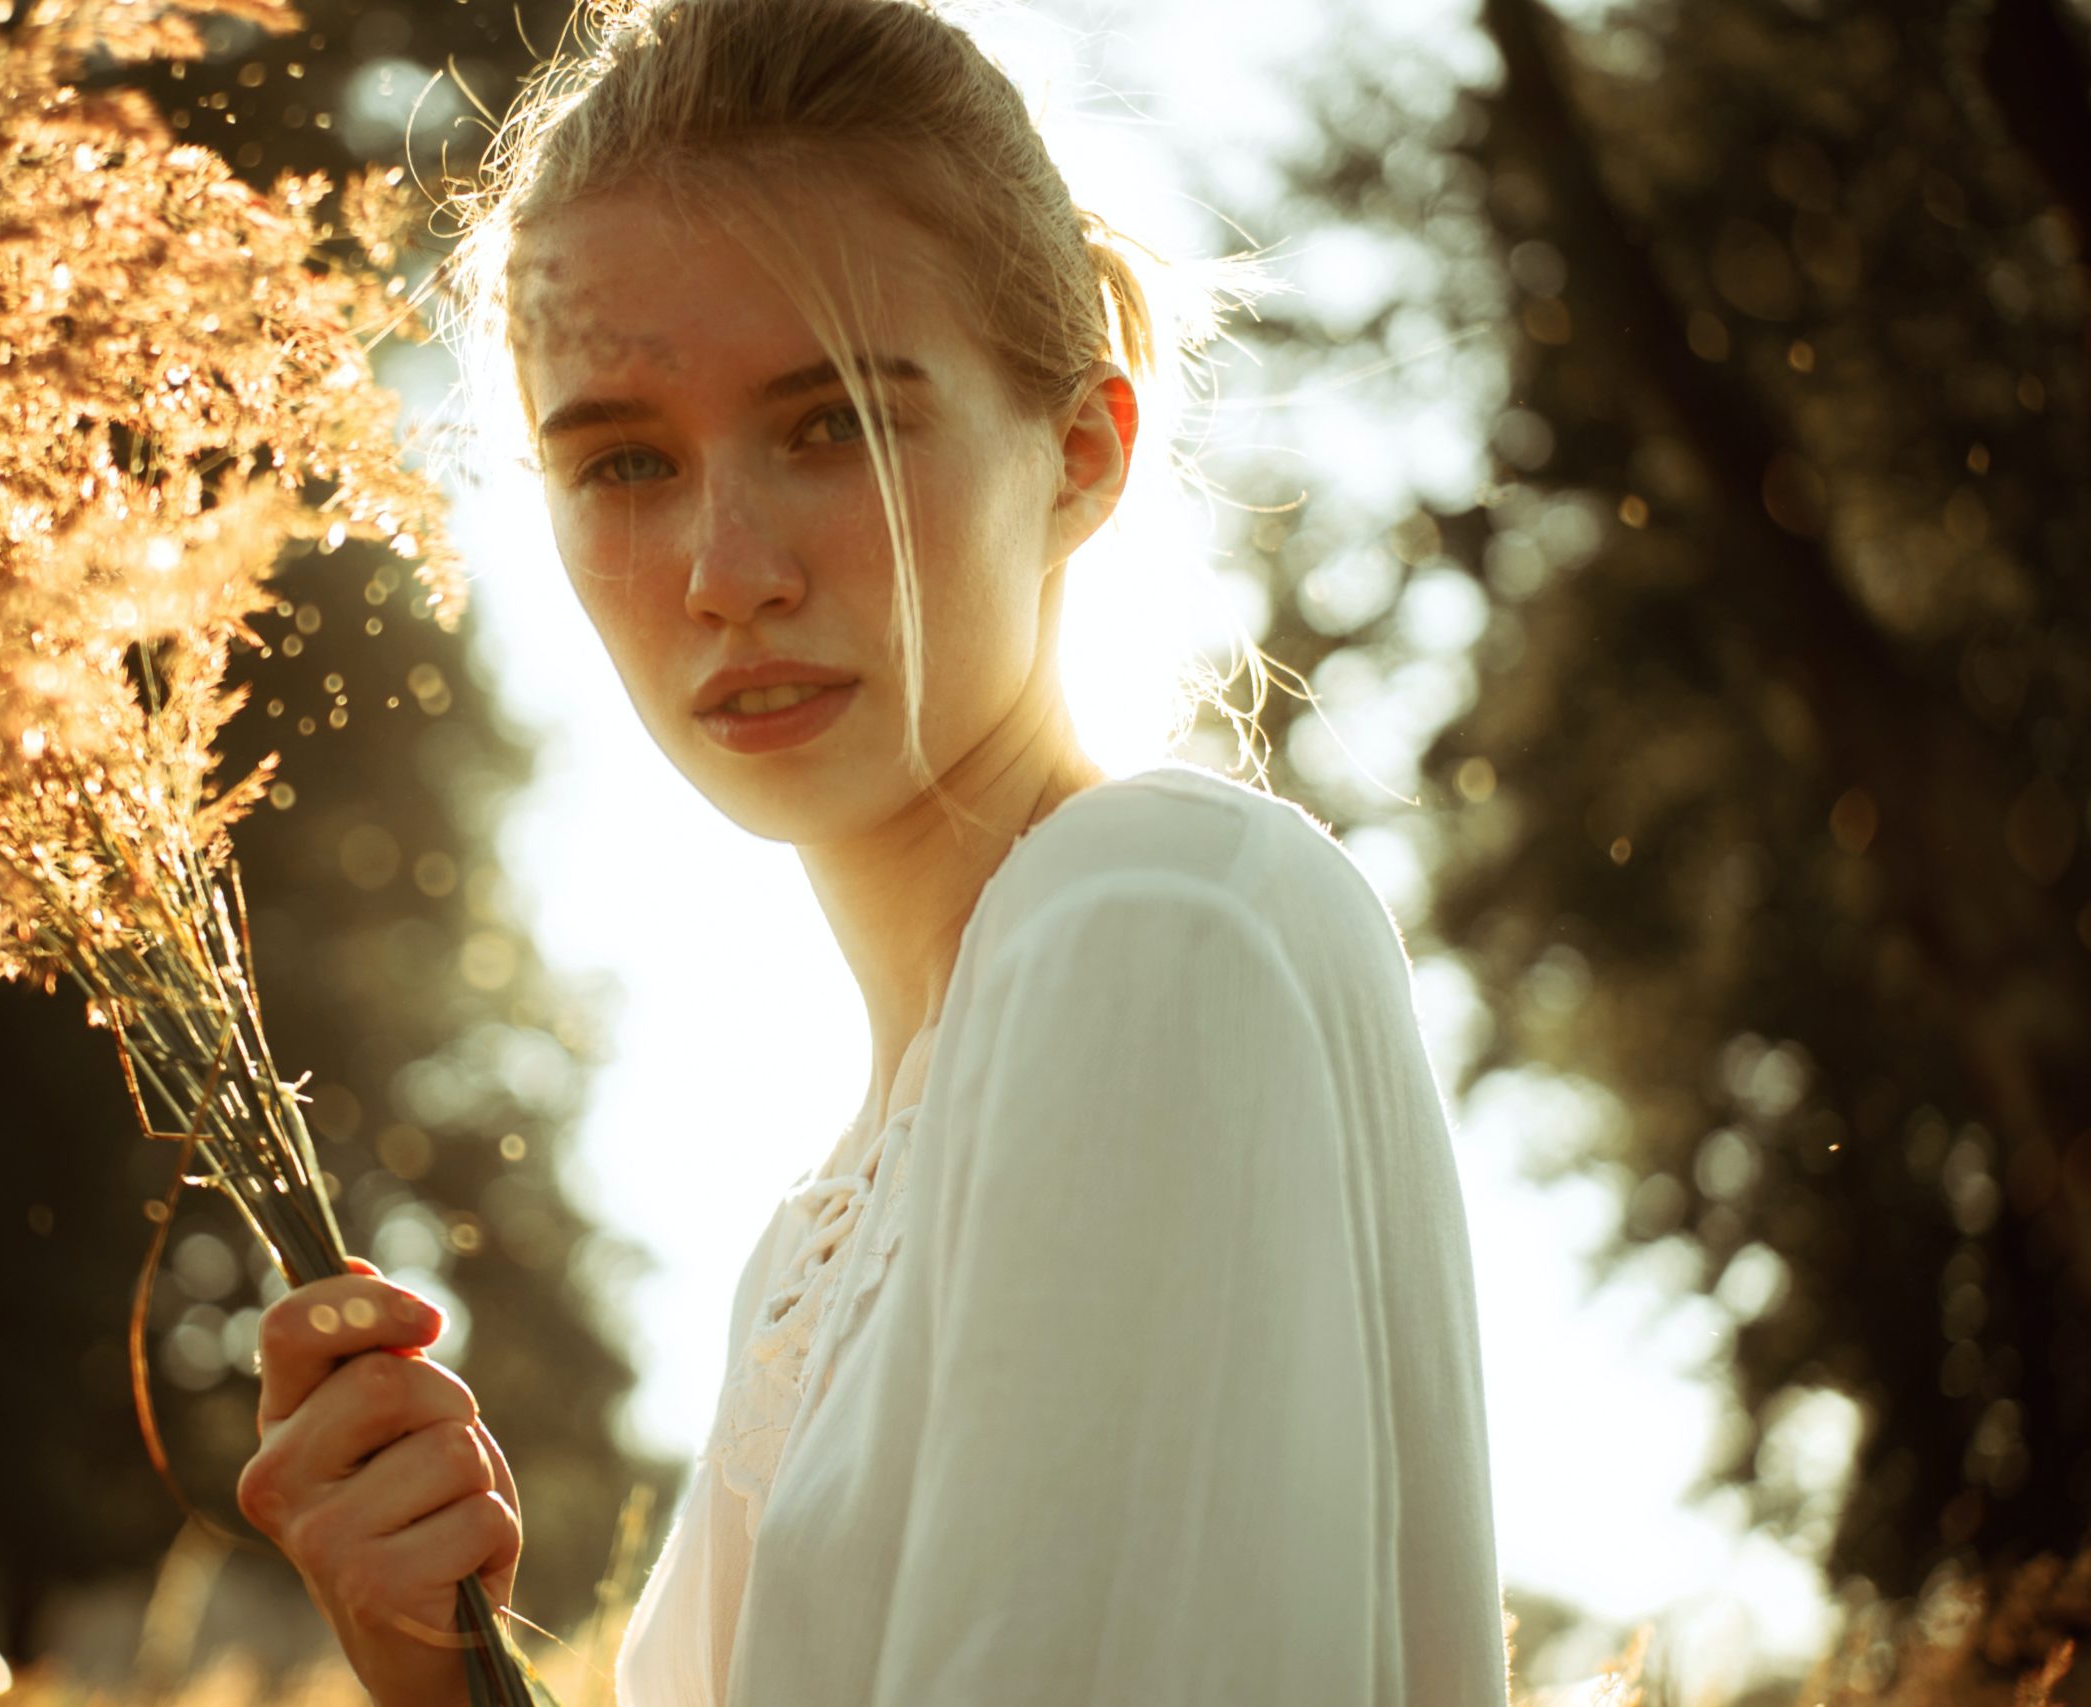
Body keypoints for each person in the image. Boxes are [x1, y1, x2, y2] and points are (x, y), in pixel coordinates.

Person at [236, 0, 1512, 1702]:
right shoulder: (820, 1221)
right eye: (623, 457)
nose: (724, 565)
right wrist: (434, 1673)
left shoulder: (1150, 924)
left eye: (831, 419)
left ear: (1083, 451)